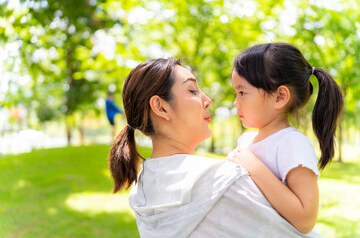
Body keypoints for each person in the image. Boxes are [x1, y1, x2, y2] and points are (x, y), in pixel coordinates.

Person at [108, 58, 322, 238]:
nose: (207, 100)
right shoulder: (222, 180)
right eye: (192, 90)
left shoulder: (142, 188)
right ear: (161, 107)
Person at [228, 42, 343, 234]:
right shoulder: (246, 141)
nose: (235, 102)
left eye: (242, 93)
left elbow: (306, 218)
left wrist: (254, 167)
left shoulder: (292, 143)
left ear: (280, 96)